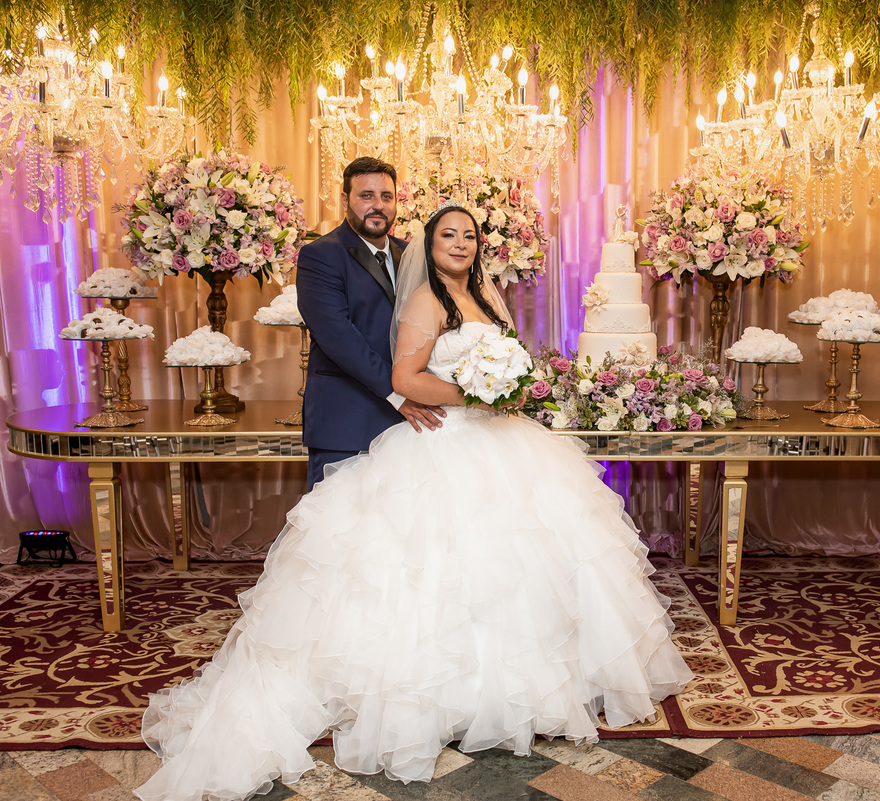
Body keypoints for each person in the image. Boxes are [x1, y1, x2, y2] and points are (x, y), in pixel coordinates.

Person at [134, 202, 694, 801]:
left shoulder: (488, 297)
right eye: (448, 234)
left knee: (529, 564)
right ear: (427, 246)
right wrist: (474, 393)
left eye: (470, 235)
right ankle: (439, 697)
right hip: (445, 439)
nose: (460, 243)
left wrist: (509, 387)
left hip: (503, 440)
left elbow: (507, 366)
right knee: (433, 570)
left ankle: (520, 690)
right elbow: (405, 377)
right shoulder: (427, 301)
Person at [296, 156, 445, 491]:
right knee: (338, 529)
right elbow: (338, 337)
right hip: (348, 419)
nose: (378, 206)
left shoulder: (411, 255)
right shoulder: (319, 256)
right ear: (345, 199)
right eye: (367, 196)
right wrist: (399, 393)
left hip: (411, 422)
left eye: (387, 197)